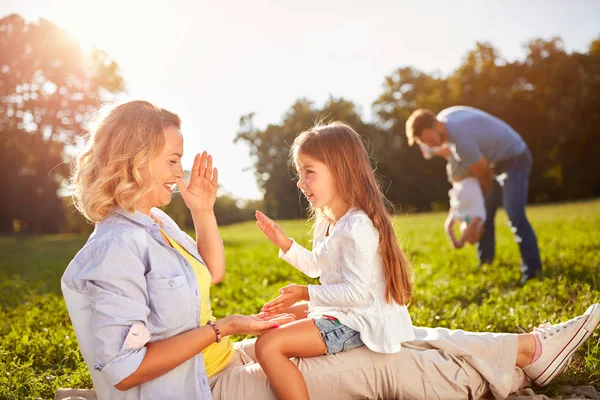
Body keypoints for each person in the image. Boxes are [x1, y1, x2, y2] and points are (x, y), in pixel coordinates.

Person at [61, 100, 599, 400]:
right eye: (173, 161)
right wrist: (224, 328)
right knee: (390, 367)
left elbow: (214, 273)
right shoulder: (114, 250)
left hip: (219, 361)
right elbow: (126, 369)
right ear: (135, 160)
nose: (181, 175)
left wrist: (202, 213)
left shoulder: (154, 224)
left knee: (400, 337)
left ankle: (525, 350)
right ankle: (521, 360)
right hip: (208, 383)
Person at [252, 122, 414, 400]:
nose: (301, 183)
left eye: (309, 172)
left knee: (268, 346)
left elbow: (355, 294)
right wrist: (284, 243)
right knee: (278, 319)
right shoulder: (328, 221)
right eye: (299, 173)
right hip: (346, 311)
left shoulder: (357, 227)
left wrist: (304, 293)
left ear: (341, 172)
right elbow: (317, 267)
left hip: (361, 321)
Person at [406, 106, 542, 285]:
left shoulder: (462, 143)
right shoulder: (444, 118)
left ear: (433, 128)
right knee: (486, 213)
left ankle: (533, 271)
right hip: (496, 159)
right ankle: (485, 263)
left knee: (514, 213)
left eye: (428, 140)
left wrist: (479, 201)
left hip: (515, 158)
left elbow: (484, 174)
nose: (430, 145)